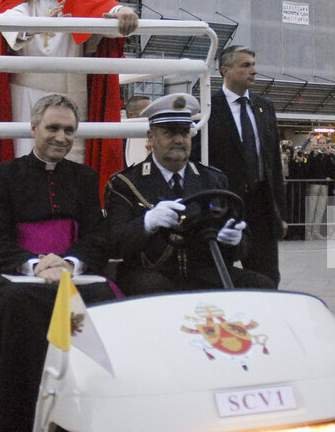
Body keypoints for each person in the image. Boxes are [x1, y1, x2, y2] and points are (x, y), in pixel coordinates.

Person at [0, 0, 135, 263]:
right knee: (28, 169)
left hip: (75, 97)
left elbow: (105, 8)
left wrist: (122, 10)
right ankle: (26, 246)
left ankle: (75, 246)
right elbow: (6, 22)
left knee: (76, 170)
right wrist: (34, 24)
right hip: (27, 94)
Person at [0, 94, 117, 432]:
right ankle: (21, 413)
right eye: (52, 128)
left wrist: (68, 262)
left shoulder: (84, 177)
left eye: (69, 130)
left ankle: (92, 400)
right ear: (34, 128)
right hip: (17, 270)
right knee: (19, 304)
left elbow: (97, 235)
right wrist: (35, 264)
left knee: (102, 296)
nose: (61, 137)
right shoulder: (3, 175)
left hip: (70, 269)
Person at [107, 93, 277, 296]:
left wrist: (235, 239)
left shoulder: (213, 179)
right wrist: (145, 223)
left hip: (204, 274)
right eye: (169, 133)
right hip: (151, 274)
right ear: (151, 136)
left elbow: (241, 244)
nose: (179, 140)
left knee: (262, 286)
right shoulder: (126, 183)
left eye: (184, 132)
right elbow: (113, 243)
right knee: (153, 289)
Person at [193, 46, 287, 285]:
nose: (254, 71)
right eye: (246, 65)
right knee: (220, 276)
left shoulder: (264, 107)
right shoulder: (207, 108)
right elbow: (197, 160)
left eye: (253, 64)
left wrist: (280, 213)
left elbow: (273, 164)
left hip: (261, 209)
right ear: (226, 70)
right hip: (222, 206)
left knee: (267, 278)